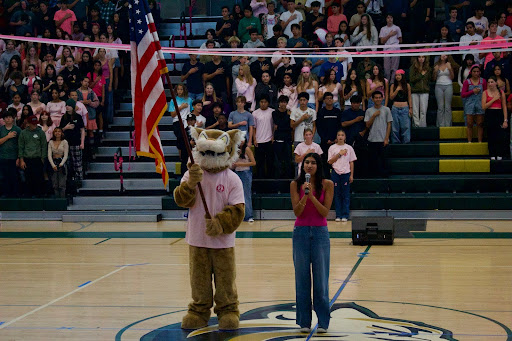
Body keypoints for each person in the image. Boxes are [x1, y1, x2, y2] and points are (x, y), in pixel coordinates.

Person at [290, 152, 333, 334]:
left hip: (320, 233)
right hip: (300, 233)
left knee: (321, 279)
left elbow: (325, 212)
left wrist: (312, 196)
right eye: (306, 162)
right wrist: (304, 196)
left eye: (313, 162)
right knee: (302, 279)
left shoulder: (327, 184)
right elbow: (297, 212)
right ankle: (304, 322)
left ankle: (323, 321)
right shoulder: (295, 184)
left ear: (318, 165)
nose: (309, 165)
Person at [328, 129, 356, 222]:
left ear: (345, 137)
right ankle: (338, 215)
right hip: (336, 172)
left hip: (346, 173)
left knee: (345, 195)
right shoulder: (332, 148)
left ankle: (345, 215)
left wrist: (351, 175)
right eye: (339, 135)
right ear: (336, 137)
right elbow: (330, 161)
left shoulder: (349, 148)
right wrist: (339, 154)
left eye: (342, 135)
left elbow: (351, 162)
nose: (340, 137)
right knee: (337, 194)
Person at [18, 114, 47, 197]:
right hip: (27, 159)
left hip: (38, 159)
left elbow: (44, 146)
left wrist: (43, 158)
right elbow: (21, 147)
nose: (35, 125)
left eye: (36, 123)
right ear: (28, 123)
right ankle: (28, 197)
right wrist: (21, 160)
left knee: (38, 179)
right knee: (28, 179)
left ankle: (39, 196)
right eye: (33, 123)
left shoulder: (40, 132)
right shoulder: (23, 133)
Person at [364, 91, 392, 177]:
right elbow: (367, 125)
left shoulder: (386, 109)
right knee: (373, 160)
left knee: (384, 161)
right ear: (372, 99)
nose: (378, 99)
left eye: (380, 97)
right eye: (376, 97)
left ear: (382, 98)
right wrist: (374, 116)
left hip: (383, 139)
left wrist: (386, 138)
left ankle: (385, 178)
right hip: (372, 139)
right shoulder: (369, 111)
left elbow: (389, 124)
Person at [59, 98, 85, 187]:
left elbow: (82, 130)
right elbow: (59, 130)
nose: (67, 107)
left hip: (76, 142)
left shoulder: (78, 117)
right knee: (67, 162)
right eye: (66, 105)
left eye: (69, 105)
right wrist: (66, 128)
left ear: (73, 107)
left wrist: (82, 143)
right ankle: (68, 180)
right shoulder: (64, 117)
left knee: (77, 162)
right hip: (66, 143)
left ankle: (79, 179)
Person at [482, 76, 508, 160]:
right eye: (489, 82)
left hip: (499, 113)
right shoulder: (485, 92)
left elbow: (504, 107)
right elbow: (484, 106)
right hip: (490, 113)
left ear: (496, 83)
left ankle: (499, 153)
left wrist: (505, 120)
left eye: (492, 82)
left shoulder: (501, 92)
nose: (490, 84)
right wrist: (493, 99)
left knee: (499, 135)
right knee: (491, 135)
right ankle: (492, 153)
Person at [462, 64, 486, 143]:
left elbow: (486, 92)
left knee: (480, 123)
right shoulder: (467, 82)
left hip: (480, 103)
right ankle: (469, 141)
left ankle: (480, 141)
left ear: (480, 72)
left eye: (477, 71)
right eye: (474, 71)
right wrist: (472, 91)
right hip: (469, 104)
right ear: (471, 72)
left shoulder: (483, 81)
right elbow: (463, 94)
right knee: (469, 123)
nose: (476, 73)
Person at [0, 108, 22, 197]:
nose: (8, 119)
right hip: (3, 156)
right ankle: (5, 194)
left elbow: (21, 145)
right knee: (4, 177)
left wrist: (19, 158)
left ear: (13, 119)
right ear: (3, 119)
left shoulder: (17, 129)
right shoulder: (1, 130)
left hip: (14, 157)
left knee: (14, 177)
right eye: (6, 117)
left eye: (10, 117)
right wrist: (8, 137)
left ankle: (15, 194)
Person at [233, 139, 256, 223]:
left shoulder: (247, 149)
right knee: (236, 195)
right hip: (237, 173)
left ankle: (249, 215)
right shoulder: (235, 149)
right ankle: (239, 215)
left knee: (246, 194)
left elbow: (253, 163)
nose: (241, 141)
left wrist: (240, 164)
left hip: (245, 173)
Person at [252, 95, 274, 179]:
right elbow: (254, 127)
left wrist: (273, 136)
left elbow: (274, 126)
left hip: (269, 140)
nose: (263, 104)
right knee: (260, 162)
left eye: (265, 102)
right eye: (261, 102)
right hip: (259, 140)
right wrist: (254, 139)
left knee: (270, 161)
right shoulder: (255, 113)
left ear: (268, 103)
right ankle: (260, 179)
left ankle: (270, 179)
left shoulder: (272, 112)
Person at [316, 92, 342, 167]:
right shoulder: (321, 112)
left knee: (337, 160)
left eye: (331, 98)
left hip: (336, 141)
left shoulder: (337, 112)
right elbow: (319, 127)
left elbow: (340, 126)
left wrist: (336, 138)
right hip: (325, 141)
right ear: (324, 100)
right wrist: (325, 139)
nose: (329, 100)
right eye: (327, 98)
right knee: (325, 161)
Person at [389, 69, 412, 143]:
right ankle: (395, 142)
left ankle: (406, 141)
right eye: (396, 75)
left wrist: (410, 108)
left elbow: (409, 97)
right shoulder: (393, 85)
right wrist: (397, 90)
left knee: (406, 126)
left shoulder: (407, 85)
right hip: (395, 107)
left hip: (405, 107)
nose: (397, 77)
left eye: (399, 75)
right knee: (394, 127)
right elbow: (391, 97)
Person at [379, 14, 402, 84]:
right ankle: (386, 84)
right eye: (388, 17)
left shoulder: (397, 28)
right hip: (386, 49)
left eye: (391, 17)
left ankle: (392, 84)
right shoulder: (383, 29)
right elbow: (382, 41)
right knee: (386, 70)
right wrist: (389, 35)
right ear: (386, 19)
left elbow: (400, 40)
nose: (389, 19)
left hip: (395, 48)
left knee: (394, 68)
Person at [409, 55, 431, 128]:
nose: (421, 59)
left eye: (423, 57)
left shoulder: (428, 68)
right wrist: (421, 75)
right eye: (419, 57)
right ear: (417, 58)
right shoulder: (413, 68)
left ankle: (423, 126)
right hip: (415, 91)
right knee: (415, 111)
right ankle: (416, 125)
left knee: (423, 111)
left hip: (424, 91)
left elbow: (429, 79)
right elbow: (411, 79)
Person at [433, 55, 455, 127]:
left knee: (448, 106)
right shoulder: (437, 65)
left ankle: (448, 125)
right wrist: (435, 71)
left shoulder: (449, 64)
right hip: (438, 85)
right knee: (440, 106)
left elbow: (452, 77)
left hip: (448, 85)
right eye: (442, 54)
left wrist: (450, 69)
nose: (443, 56)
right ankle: (440, 125)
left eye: (445, 55)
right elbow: (433, 78)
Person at [47, 127, 68, 198]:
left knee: (62, 185)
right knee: (55, 184)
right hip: (53, 163)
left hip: (62, 162)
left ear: (61, 133)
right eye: (56, 131)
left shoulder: (65, 142)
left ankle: (62, 200)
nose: (57, 133)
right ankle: (56, 200)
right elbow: (49, 155)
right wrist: (53, 165)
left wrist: (61, 164)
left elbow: (66, 155)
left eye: (59, 131)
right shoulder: (50, 142)